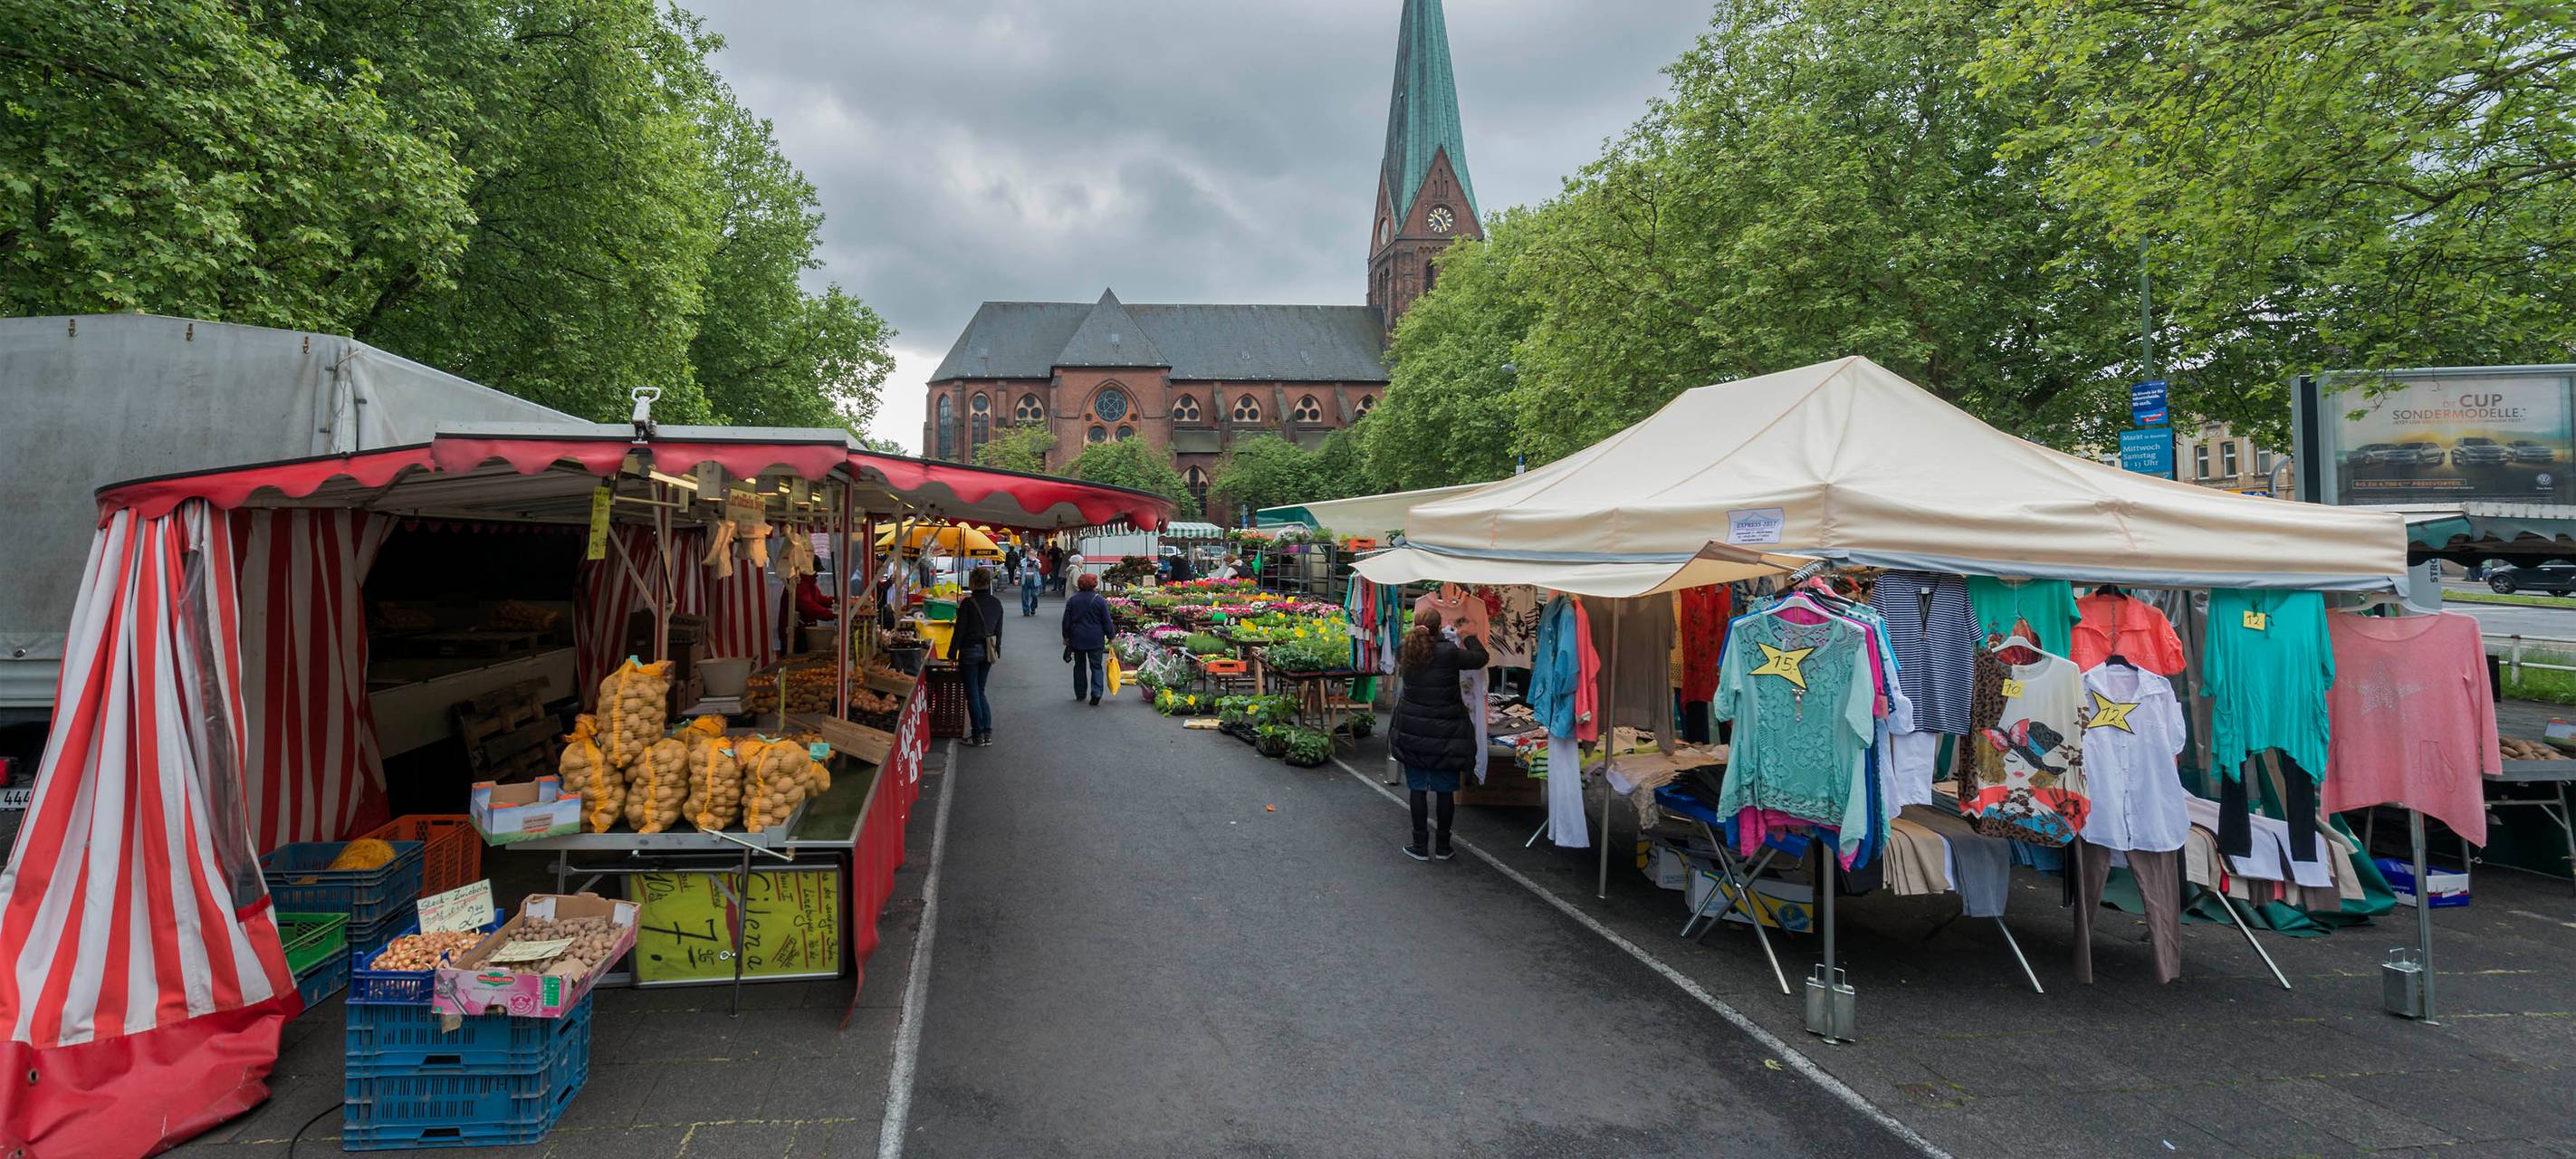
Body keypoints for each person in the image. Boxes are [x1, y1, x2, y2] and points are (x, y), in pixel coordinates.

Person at [1387, 608, 1488, 861]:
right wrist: (1468, 636)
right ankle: (1443, 847)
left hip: (1413, 729)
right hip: (1446, 731)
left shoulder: (1404, 649)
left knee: (1418, 788)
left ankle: (1419, 845)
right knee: (1445, 790)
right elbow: (1479, 658)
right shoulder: (1449, 652)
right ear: (1439, 627)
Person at [953, 567, 1006, 746]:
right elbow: (998, 631)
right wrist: (997, 650)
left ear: (973, 582)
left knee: (972, 693)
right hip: (988, 651)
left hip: (969, 651)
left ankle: (977, 734)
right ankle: (987, 732)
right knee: (980, 691)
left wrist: (952, 652)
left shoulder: (968, 604)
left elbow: (959, 631)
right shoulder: (996, 603)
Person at [1061, 572, 1115, 705]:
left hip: (1077, 638)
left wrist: (1066, 636)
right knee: (1096, 666)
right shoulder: (1099, 600)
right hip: (1095, 638)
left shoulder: (1073, 600)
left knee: (1079, 666)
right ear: (1094, 584)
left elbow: (1066, 621)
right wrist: (1111, 636)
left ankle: (1080, 693)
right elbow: (1106, 621)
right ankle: (1096, 692)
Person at [1020, 551, 1043, 617]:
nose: (1031, 555)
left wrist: (1033, 561)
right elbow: (1019, 570)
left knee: (1034, 595)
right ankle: (1026, 611)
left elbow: (1039, 567)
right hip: (1025, 580)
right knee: (1024, 596)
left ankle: (1033, 607)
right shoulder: (1023, 561)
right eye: (1030, 554)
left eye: (1033, 554)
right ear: (1027, 554)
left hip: (1034, 581)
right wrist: (1016, 578)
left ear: (1035, 555)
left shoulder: (1037, 561)